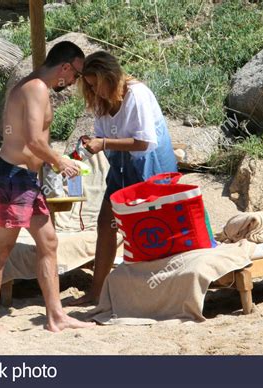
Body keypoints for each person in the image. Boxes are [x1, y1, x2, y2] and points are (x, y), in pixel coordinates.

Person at [0, 41, 95, 332]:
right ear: (65, 67)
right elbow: (33, 140)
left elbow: (32, 142)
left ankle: (55, 316)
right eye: (76, 76)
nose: (73, 83)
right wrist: (61, 162)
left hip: (25, 179)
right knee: (1, 250)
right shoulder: (36, 88)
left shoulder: (33, 86)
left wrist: (50, 166)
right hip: (12, 177)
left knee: (48, 243)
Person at [70, 51, 177, 305]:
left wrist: (104, 142)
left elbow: (145, 142)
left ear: (111, 76)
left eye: (97, 84)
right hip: (120, 164)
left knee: (149, 225)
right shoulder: (102, 103)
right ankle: (96, 292)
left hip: (150, 163)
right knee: (106, 221)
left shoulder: (136, 95)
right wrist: (91, 144)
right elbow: (105, 140)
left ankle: (154, 289)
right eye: (90, 86)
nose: (95, 91)